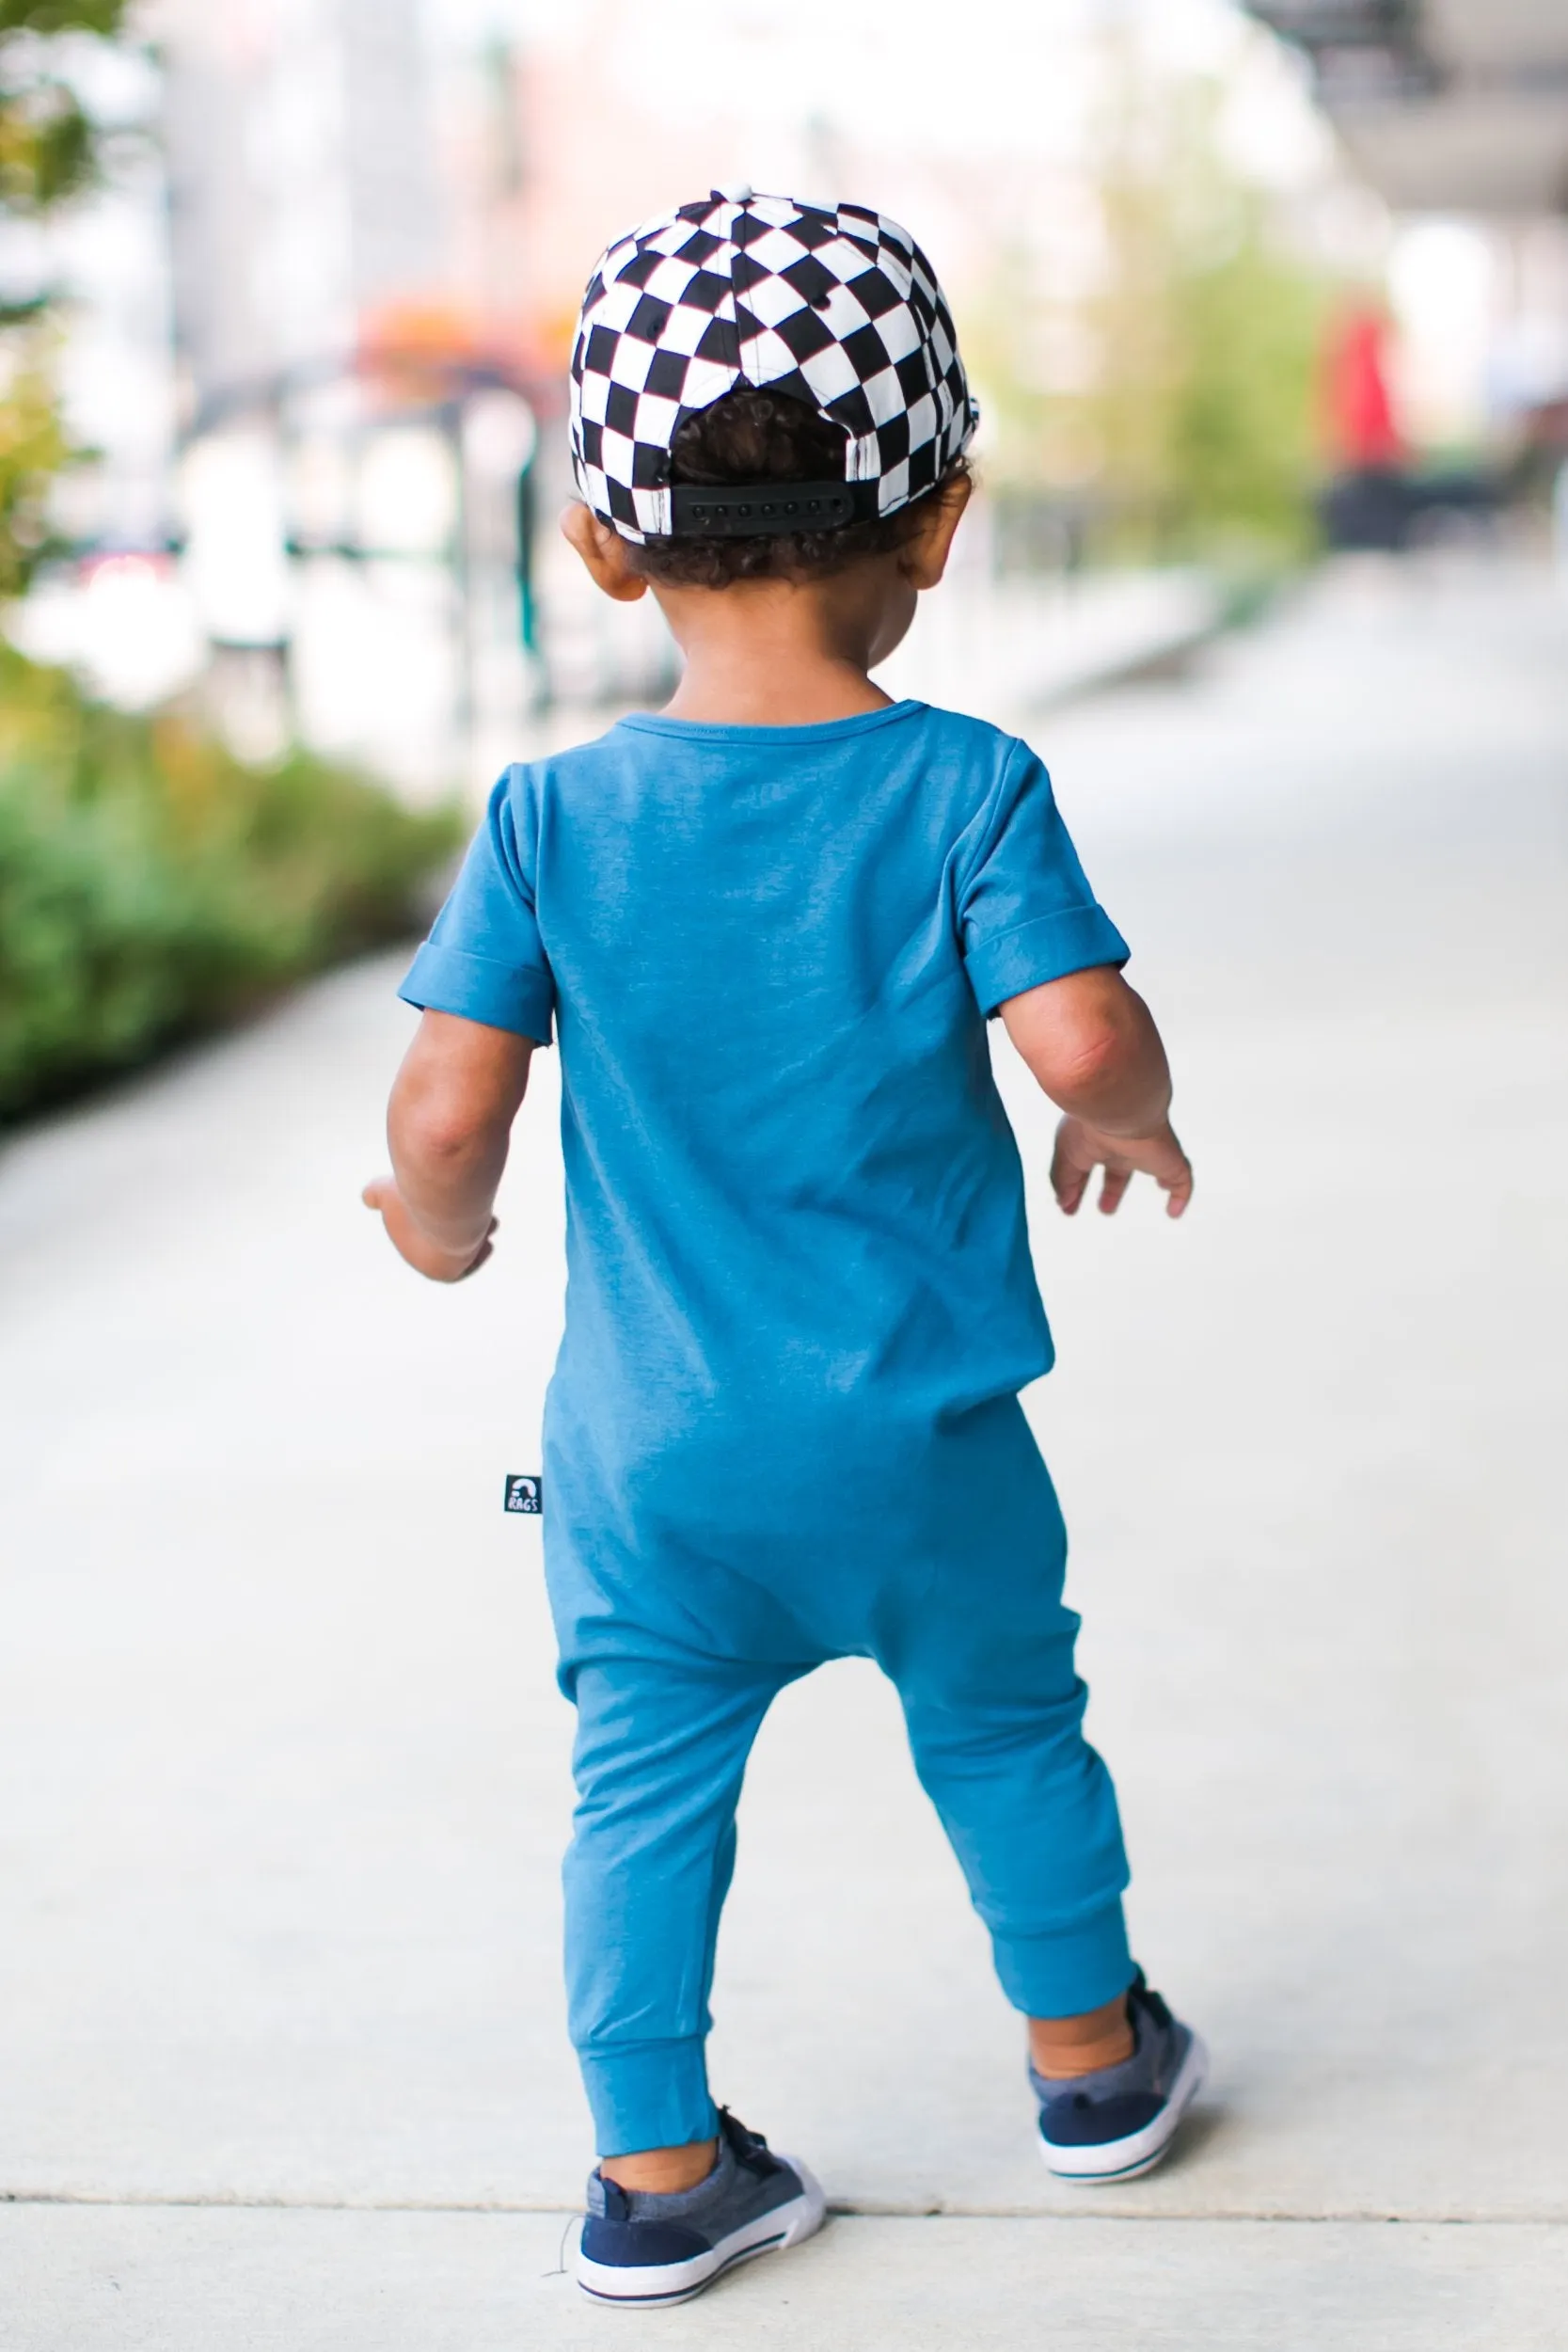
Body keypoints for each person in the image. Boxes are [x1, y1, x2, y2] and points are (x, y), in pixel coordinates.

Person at [364, 189, 1205, 2310]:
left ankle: (655, 2164)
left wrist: (439, 1233)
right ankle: (1090, 2061)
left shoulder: (546, 822)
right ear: (937, 526)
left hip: (641, 1468)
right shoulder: (964, 785)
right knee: (1009, 1722)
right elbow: (1078, 1025)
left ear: (598, 539)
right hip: (922, 1445)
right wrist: (1116, 1108)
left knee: (638, 1784)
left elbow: (448, 1108)